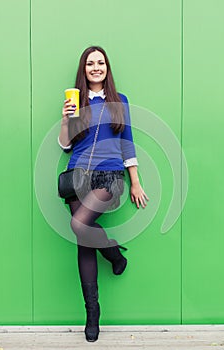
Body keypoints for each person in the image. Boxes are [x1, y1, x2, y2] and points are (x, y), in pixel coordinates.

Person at [58, 46, 148, 342]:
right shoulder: (77, 102)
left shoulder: (119, 101)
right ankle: (93, 314)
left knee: (79, 225)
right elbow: (66, 145)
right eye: (90, 64)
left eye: (100, 63)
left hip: (109, 176)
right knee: (84, 241)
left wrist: (134, 181)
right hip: (77, 175)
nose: (96, 67)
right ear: (83, 70)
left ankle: (111, 252)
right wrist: (65, 119)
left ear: (107, 68)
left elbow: (127, 142)